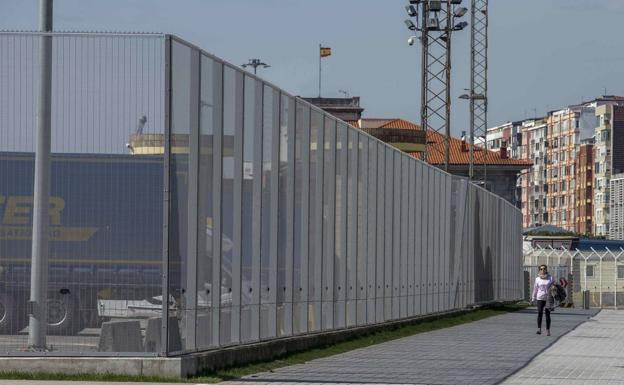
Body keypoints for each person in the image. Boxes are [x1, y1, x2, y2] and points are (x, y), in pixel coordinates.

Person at [531, 264, 555, 336]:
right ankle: (539, 329)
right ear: (539, 270)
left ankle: (548, 330)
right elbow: (535, 289)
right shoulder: (537, 279)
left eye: (544, 269)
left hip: (548, 298)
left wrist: (554, 287)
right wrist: (533, 298)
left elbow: (554, 285)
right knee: (540, 313)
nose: (543, 270)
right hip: (540, 298)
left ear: (546, 269)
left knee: (547, 314)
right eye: (541, 269)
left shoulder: (550, 278)